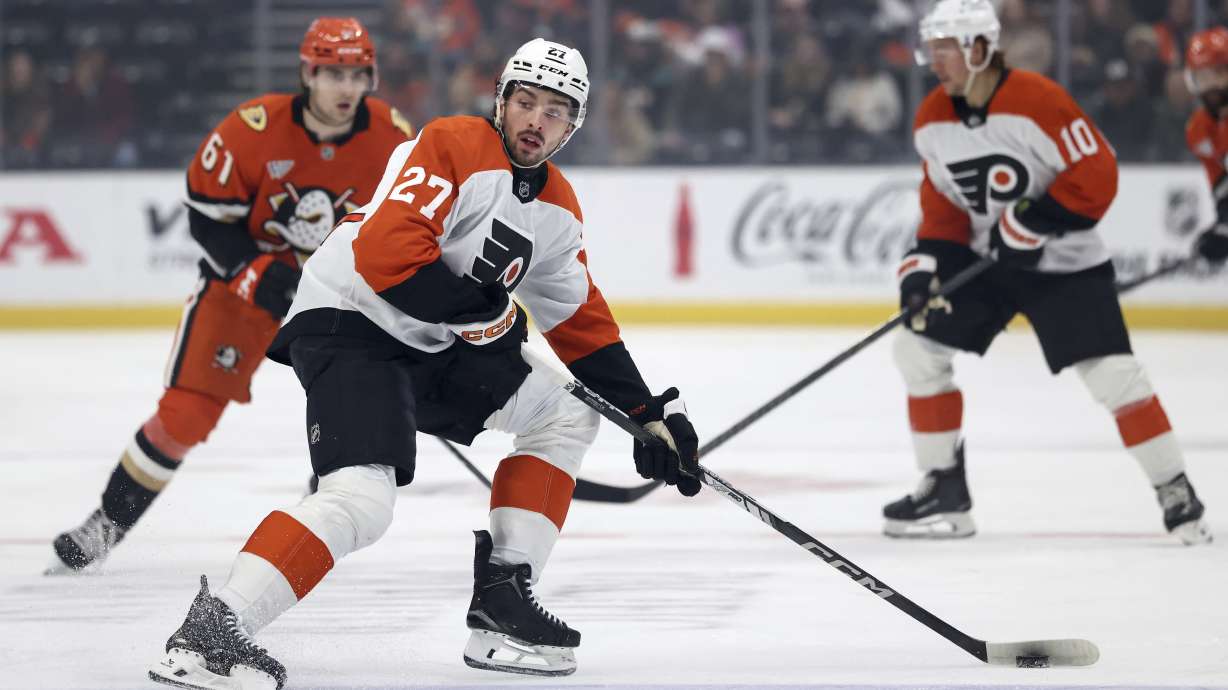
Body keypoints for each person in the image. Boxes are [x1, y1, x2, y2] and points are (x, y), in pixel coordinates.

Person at [147, 38, 702, 689]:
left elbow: (579, 319)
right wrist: (482, 314)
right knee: (361, 500)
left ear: (573, 125)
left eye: (555, 111)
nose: (534, 121)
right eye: (524, 101)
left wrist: (650, 415)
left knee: (566, 414)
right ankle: (210, 630)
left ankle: (502, 605)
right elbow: (387, 256)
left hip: (434, 343)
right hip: (351, 322)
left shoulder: (558, 209)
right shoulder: (454, 143)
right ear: (500, 100)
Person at [47, 17, 415, 574]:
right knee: (184, 416)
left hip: (336, 300)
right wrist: (251, 272)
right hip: (241, 294)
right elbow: (205, 214)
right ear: (308, 73)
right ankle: (107, 524)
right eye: (333, 73)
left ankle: (315, 528)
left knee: (354, 421)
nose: (346, 87)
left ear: (372, 76)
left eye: (358, 74)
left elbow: (408, 223)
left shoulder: (394, 136)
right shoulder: (253, 127)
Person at [883, 0, 1211, 545]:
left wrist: (1036, 218)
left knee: (1113, 374)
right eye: (932, 47)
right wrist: (924, 272)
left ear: (980, 49)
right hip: (993, 261)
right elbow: (944, 206)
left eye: (947, 48)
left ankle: (1175, 488)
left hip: (1066, 263)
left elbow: (1098, 172)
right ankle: (944, 487)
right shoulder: (932, 120)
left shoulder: (1038, 100)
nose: (935, 60)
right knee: (916, 347)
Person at [1181, 27, 1228, 266]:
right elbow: (1223, 185)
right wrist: (1223, 224)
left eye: (1218, 74)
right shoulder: (1199, 129)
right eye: (1202, 77)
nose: (1210, 87)